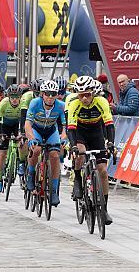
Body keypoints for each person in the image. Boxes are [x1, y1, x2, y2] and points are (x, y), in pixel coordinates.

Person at [67, 76, 114, 225]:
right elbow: (71, 129)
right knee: (80, 152)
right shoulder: (74, 104)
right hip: (80, 133)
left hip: (96, 133)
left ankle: (104, 209)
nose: (85, 98)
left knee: (103, 171)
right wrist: (73, 145)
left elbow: (109, 125)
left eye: (88, 94)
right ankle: (77, 179)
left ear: (93, 92)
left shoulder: (101, 101)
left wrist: (110, 142)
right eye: (81, 95)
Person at [25, 79, 66, 207]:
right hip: (36, 129)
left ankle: (53, 191)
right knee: (36, 150)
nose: (50, 97)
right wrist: (31, 138)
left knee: (55, 156)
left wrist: (64, 137)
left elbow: (65, 125)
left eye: (53, 94)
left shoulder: (60, 105)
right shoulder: (35, 103)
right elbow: (28, 123)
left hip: (51, 131)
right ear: (42, 94)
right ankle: (31, 174)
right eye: (47, 93)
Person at [0, 84, 27, 192]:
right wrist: (1, 133)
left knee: (21, 143)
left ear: (20, 97)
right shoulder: (3, 103)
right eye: (12, 97)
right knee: (2, 153)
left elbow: (24, 119)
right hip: (5, 125)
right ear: (8, 97)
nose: (14, 100)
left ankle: (21, 162)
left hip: (17, 124)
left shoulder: (23, 103)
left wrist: (22, 133)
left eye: (17, 97)